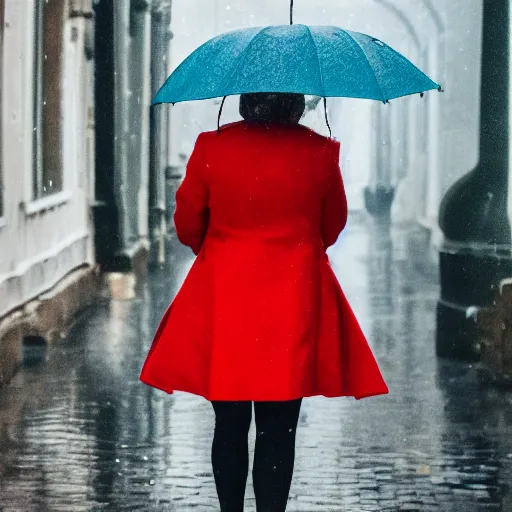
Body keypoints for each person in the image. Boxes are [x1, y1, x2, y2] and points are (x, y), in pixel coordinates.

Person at [140, 92, 389, 511]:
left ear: (245, 101)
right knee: (278, 429)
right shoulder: (319, 151)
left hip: (225, 298)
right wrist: (296, 248)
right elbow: (333, 225)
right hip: (292, 301)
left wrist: (223, 248)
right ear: (295, 105)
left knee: (230, 424)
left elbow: (186, 224)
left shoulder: (211, 146)